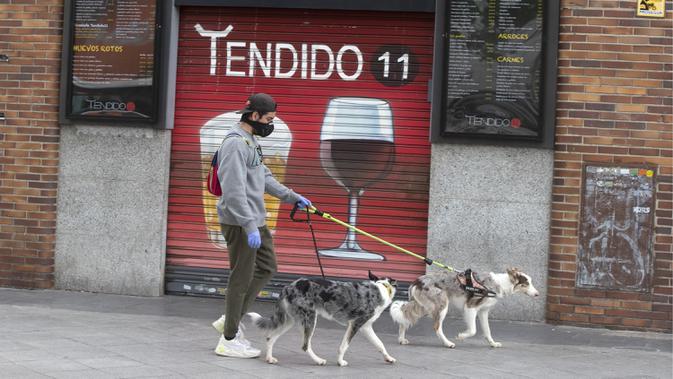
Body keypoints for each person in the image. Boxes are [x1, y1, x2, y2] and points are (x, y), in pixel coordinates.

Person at [211, 93, 311, 358]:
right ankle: (228, 339)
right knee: (240, 278)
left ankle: (229, 319)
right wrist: (248, 225)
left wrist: (292, 197)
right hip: (240, 221)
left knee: (268, 267)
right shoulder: (234, 144)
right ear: (253, 116)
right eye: (268, 119)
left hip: (256, 219)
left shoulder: (250, 141)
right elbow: (232, 191)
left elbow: (263, 177)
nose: (270, 124)